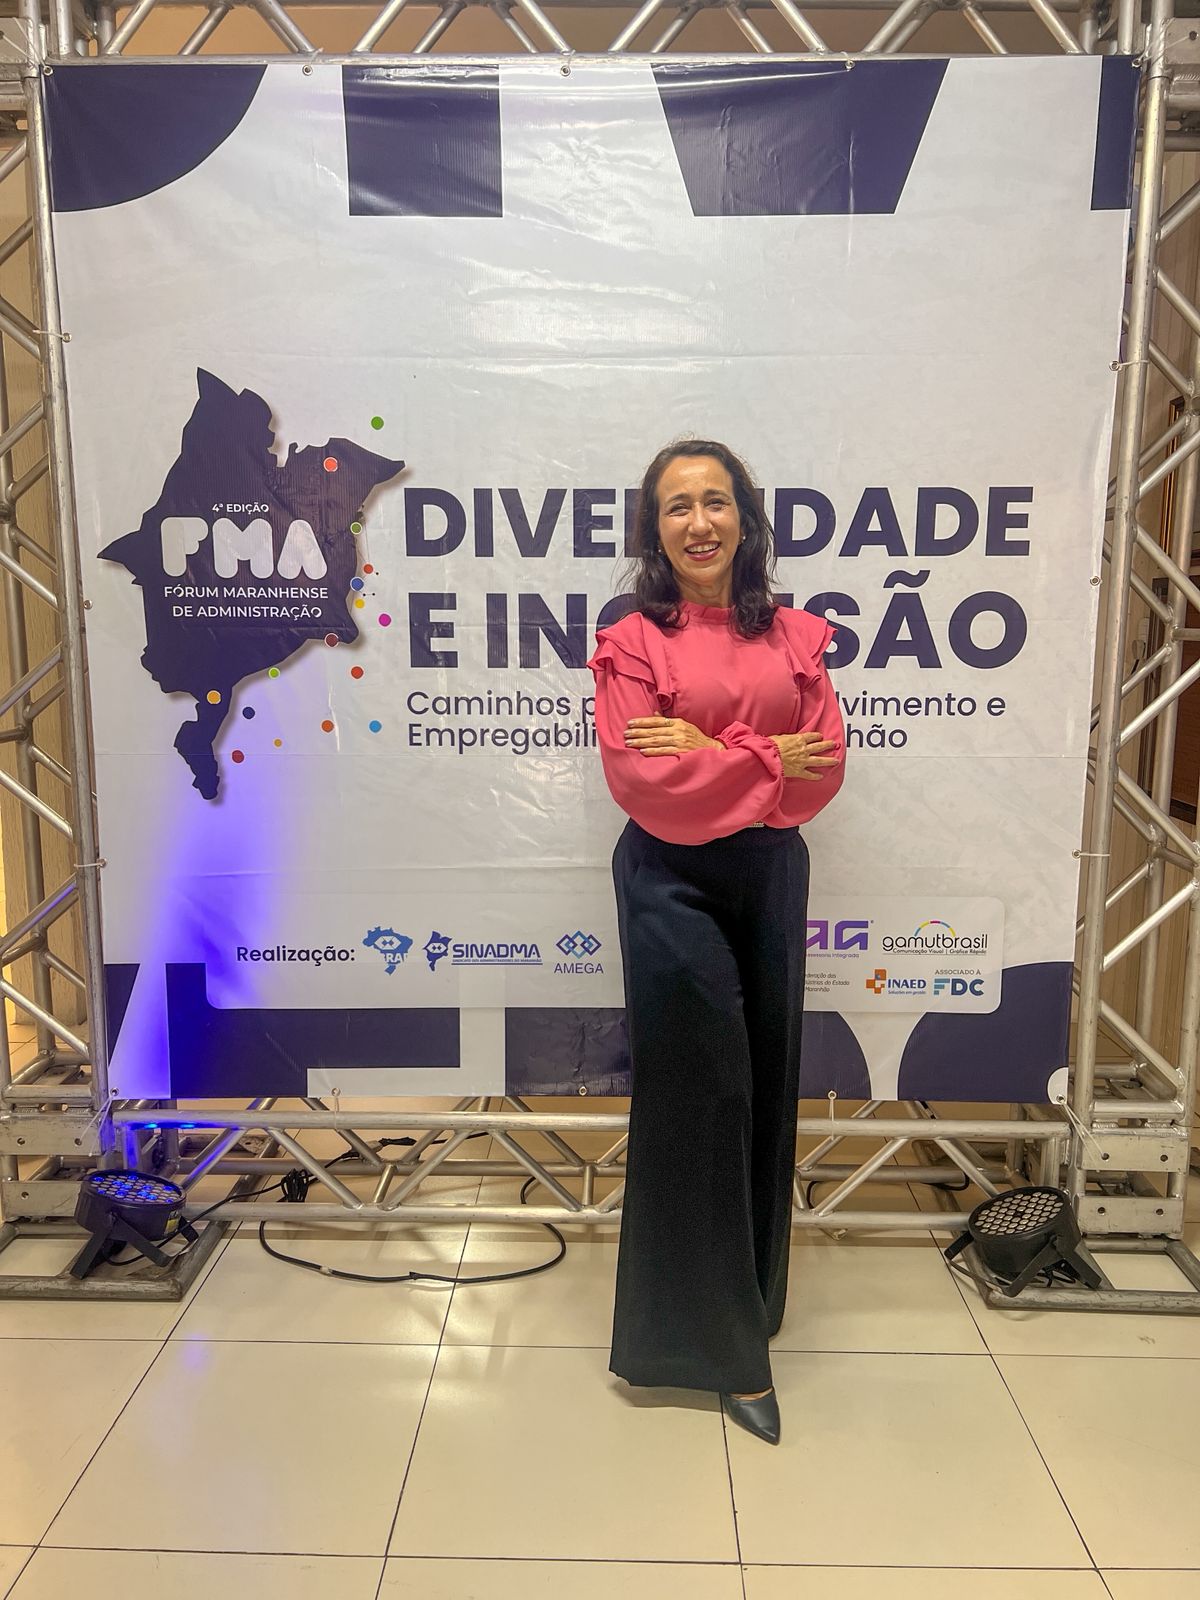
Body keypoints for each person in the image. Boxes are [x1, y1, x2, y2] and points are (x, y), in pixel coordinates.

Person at [586, 439, 846, 1446]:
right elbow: (646, 783)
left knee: (768, 1082)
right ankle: (717, 1353)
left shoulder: (795, 635)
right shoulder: (632, 641)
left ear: (745, 515)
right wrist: (767, 757)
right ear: (654, 531)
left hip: (772, 871)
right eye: (677, 506)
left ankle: (754, 1300)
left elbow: (824, 771)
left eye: (716, 500)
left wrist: (715, 749)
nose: (699, 521)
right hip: (669, 877)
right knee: (707, 1088)